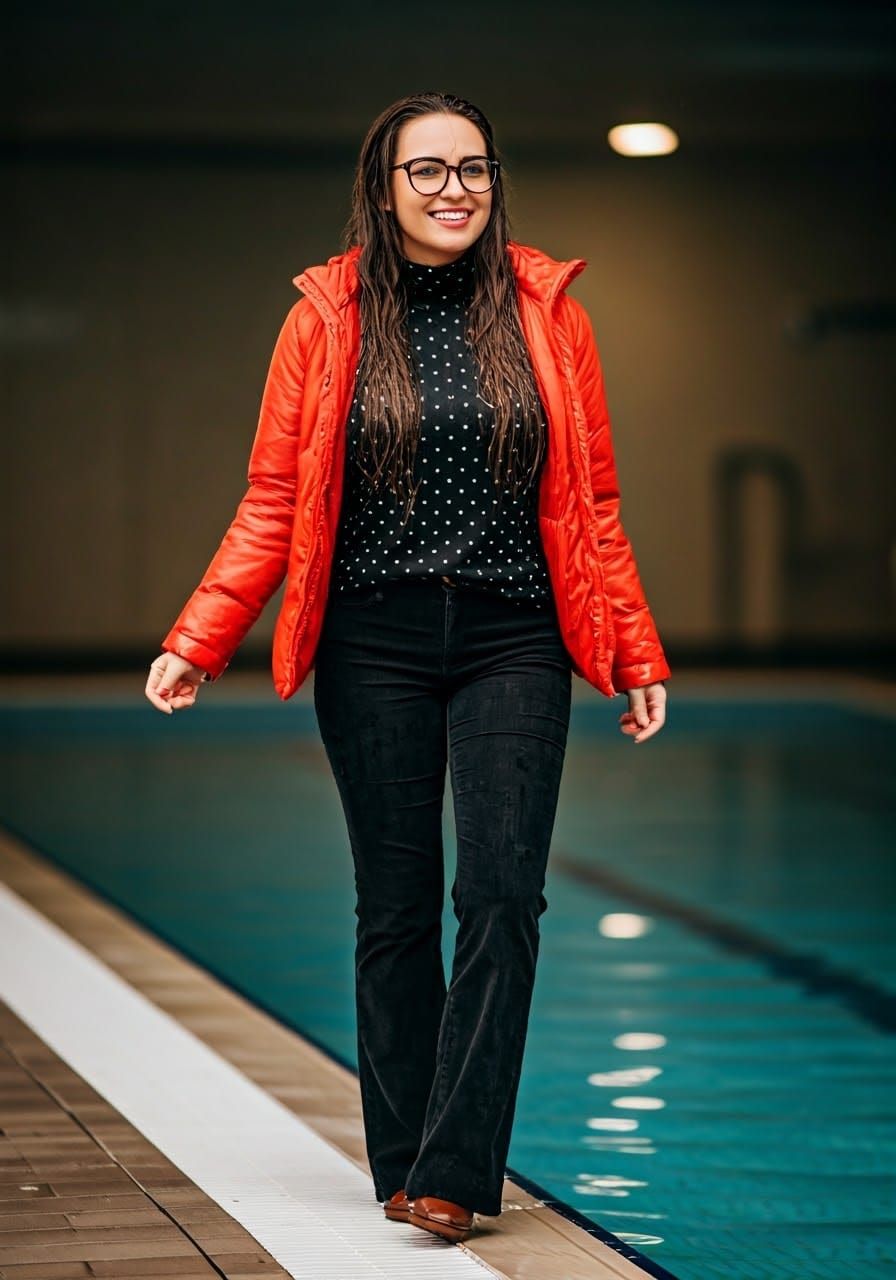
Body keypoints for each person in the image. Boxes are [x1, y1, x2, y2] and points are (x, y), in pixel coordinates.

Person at [146, 91, 670, 1245]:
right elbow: (274, 496)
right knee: (392, 907)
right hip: (370, 640)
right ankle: (402, 1160)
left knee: (500, 892)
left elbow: (592, 500)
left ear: (495, 183)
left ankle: (454, 1170)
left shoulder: (548, 315)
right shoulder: (323, 319)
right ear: (382, 191)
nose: (452, 190)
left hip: (511, 636)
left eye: (472, 169)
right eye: (425, 171)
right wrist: (200, 634)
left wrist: (632, 645)